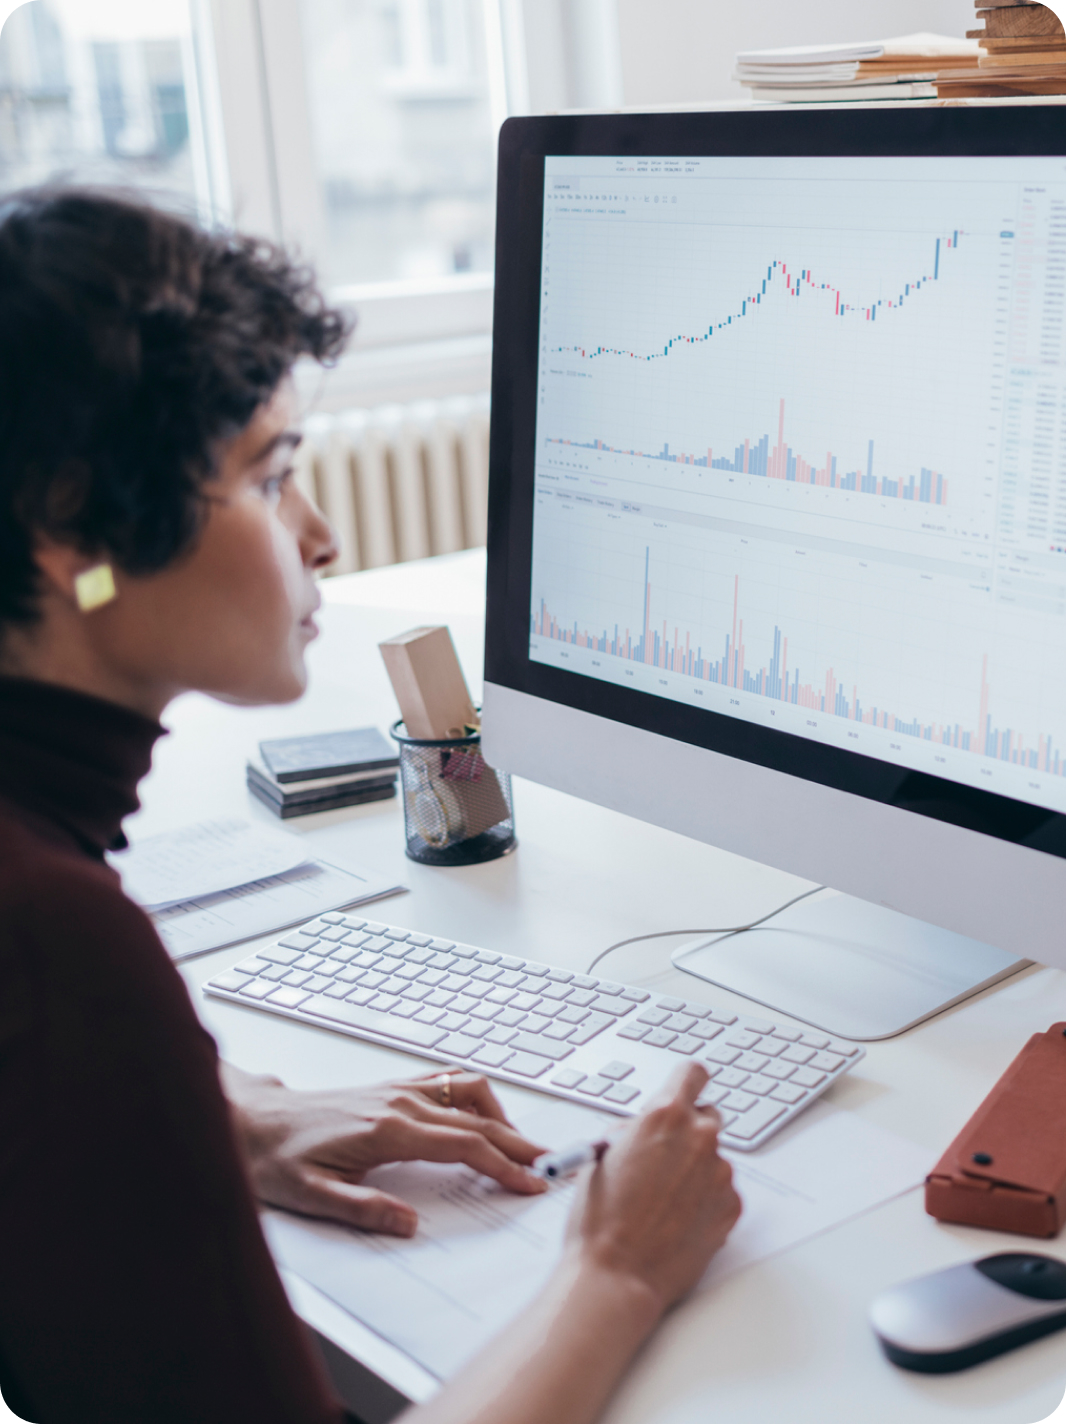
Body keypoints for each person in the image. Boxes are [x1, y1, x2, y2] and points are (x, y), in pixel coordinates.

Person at [0, 188, 741, 1424]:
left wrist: (222, 1119)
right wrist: (614, 1269)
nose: (322, 535)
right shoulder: (52, 941)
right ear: (76, 533)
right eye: (272, 475)